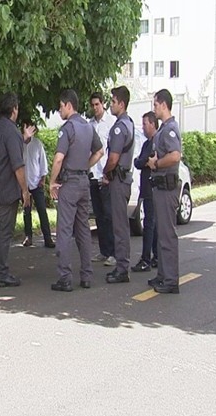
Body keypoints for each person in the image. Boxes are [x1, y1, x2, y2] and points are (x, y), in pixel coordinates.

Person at [49, 89, 104, 292]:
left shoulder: (68, 128)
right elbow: (100, 151)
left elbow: (58, 158)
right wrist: (85, 166)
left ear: (68, 105)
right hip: (84, 182)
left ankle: (65, 277)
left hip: (70, 183)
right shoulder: (88, 127)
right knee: (83, 229)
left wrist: (52, 182)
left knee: (64, 230)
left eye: (60, 106)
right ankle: (87, 275)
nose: (59, 110)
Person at [0, 92, 31, 287]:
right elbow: (17, 165)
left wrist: (24, 138)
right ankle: (3, 273)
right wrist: (25, 190)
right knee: (5, 232)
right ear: (14, 109)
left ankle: (2, 271)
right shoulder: (11, 131)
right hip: (7, 188)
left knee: (0, 230)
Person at [147, 89, 182, 294]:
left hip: (167, 187)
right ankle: (162, 275)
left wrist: (157, 163)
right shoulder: (164, 128)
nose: (154, 109)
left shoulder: (170, 129)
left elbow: (175, 156)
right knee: (162, 235)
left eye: (155, 105)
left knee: (167, 235)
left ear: (163, 105)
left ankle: (170, 280)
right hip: (160, 187)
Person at [103, 86, 135, 284]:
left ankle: (122, 268)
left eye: (113, 102)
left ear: (121, 104)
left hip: (118, 180)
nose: (111, 105)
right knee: (120, 225)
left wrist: (106, 173)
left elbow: (113, 158)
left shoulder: (119, 127)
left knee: (120, 226)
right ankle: (122, 265)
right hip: (123, 179)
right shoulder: (129, 123)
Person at [88, 92, 117, 267]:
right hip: (93, 175)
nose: (95, 108)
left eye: (97, 104)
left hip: (106, 176)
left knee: (109, 215)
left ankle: (113, 252)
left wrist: (109, 173)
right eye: (92, 105)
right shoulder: (89, 125)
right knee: (98, 215)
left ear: (103, 104)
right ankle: (104, 250)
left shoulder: (111, 124)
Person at [131, 111, 159, 272]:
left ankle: (146, 258)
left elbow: (149, 161)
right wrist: (143, 161)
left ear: (153, 124)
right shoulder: (147, 143)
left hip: (152, 187)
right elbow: (139, 161)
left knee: (149, 224)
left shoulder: (157, 142)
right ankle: (155, 256)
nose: (143, 127)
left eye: (145, 124)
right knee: (151, 223)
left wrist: (144, 161)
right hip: (147, 187)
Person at [21, 122, 55, 248]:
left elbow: (43, 164)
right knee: (26, 211)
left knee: (42, 210)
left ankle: (48, 238)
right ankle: (28, 237)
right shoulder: (20, 145)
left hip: (37, 182)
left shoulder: (37, 144)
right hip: (25, 184)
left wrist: (43, 179)